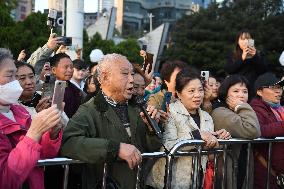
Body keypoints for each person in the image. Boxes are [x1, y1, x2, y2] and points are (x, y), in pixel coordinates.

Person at [60, 54, 161, 189]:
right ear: (105, 77)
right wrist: (116, 149)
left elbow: (152, 148)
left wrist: (151, 128)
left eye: (132, 74)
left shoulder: (137, 107)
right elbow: (69, 143)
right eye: (125, 74)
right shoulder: (90, 110)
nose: (132, 80)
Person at [147, 69, 230, 189]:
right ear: (179, 93)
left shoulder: (207, 117)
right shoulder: (170, 112)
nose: (197, 95)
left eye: (200, 90)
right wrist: (197, 136)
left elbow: (209, 156)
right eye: (191, 91)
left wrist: (219, 140)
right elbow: (168, 146)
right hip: (168, 181)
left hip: (195, 180)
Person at [0, 48, 63, 189]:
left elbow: (43, 154)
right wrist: (34, 133)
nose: (17, 82)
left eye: (16, 77)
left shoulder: (19, 112)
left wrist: (52, 132)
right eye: (11, 76)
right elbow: (6, 179)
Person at [211, 74, 261, 189]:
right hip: (228, 170)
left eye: (245, 91)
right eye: (236, 91)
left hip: (242, 166)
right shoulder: (220, 112)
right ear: (226, 93)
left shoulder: (241, 110)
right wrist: (241, 106)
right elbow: (252, 130)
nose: (241, 95)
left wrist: (240, 107)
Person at [250, 72, 284, 189]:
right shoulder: (255, 109)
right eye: (273, 87)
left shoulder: (280, 108)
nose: (278, 91)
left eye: (279, 87)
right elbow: (260, 130)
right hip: (266, 171)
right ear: (259, 92)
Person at [224, 30, 267, 95]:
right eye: (242, 39)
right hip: (237, 87)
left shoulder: (259, 54)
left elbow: (263, 70)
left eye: (248, 39)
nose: (245, 41)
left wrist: (255, 56)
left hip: (254, 87)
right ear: (238, 41)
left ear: (252, 41)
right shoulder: (232, 54)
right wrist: (242, 58)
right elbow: (229, 70)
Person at [50, 53, 85, 118]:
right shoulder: (46, 88)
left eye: (71, 67)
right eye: (66, 67)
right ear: (54, 70)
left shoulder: (77, 91)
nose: (70, 70)